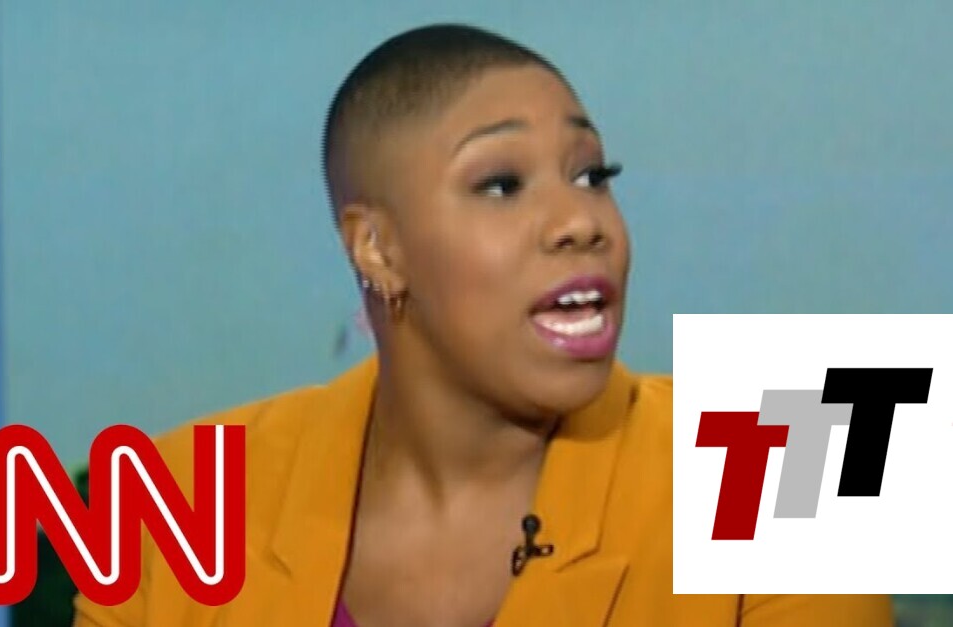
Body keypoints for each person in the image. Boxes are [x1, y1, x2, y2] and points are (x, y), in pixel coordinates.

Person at [73, 23, 894, 627]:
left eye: (592, 174)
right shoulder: (173, 497)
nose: (580, 220)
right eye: (501, 184)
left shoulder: (801, 456)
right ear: (377, 247)